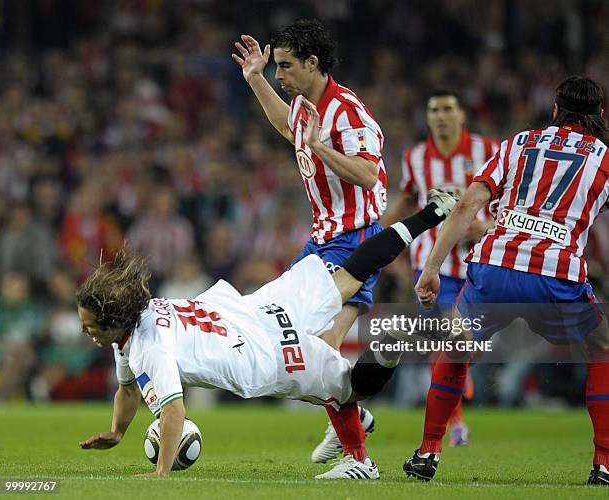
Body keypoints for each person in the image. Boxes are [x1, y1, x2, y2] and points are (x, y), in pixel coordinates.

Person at [77, 190, 457, 479]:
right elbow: (127, 389)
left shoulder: (149, 348)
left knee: (351, 388)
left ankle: (389, 354)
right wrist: (116, 432)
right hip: (257, 308)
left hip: (265, 357)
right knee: (349, 276)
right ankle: (430, 214)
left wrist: (160, 473)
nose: (85, 329)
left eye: (90, 324)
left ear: (113, 320)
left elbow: (174, 411)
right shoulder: (140, 314)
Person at [409, 75, 609, 486]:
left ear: (555, 109)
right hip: (556, 276)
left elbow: (468, 203)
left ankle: (428, 452)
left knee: (456, 349)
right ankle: (603, 462)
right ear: (599, 116)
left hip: (495, 267)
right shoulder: (604, 158)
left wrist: (432, 266)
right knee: (601, 348)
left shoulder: (518, 143)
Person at [232, 19, 387, 462]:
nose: (280, 75)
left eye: (284, 66)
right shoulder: (303, 104)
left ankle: (357, 453)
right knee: (300, 347)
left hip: (352, 242)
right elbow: (288, 128)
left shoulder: (348, 111)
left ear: (313, 63)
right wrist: (256, 80)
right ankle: (352, 418)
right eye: (275, 67)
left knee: (310, 348)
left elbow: (367, 173)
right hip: (323, 242)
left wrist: (320, 147)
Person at [382, 90, 497, 446]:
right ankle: (456, 423)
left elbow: (510, 199)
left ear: (462, 115)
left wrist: (489, 226)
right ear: (428, 118)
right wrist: (376, 238)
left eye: (448, 109)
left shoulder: (488, 151)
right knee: (446, 340)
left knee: (465, 344)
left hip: (478, 265)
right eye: (434, 110)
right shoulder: (416, 157)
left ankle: (462, 379)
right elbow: (406, 195)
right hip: (431, 266)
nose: (441, 116)